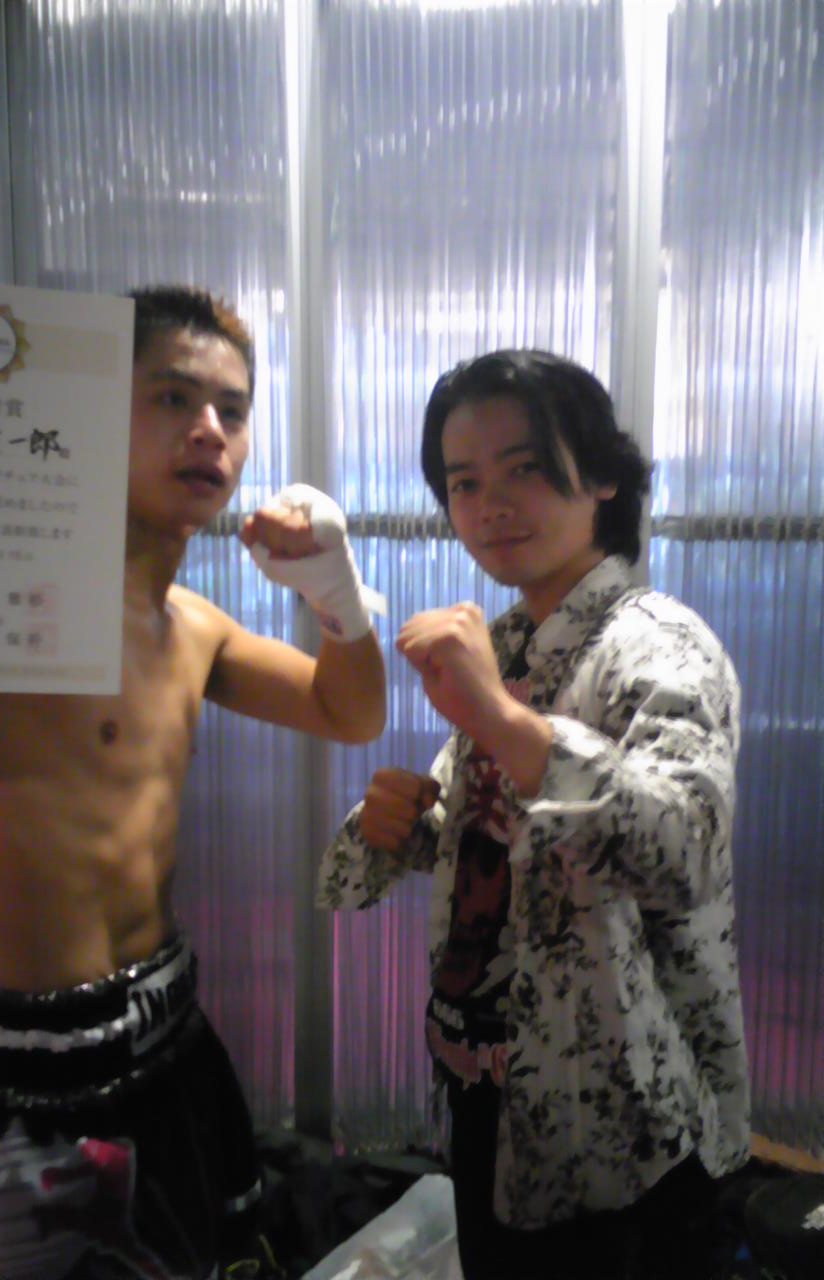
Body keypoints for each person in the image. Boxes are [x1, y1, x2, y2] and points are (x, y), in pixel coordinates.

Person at [0, 257, 387, 1280]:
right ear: (95, 411)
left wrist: (335, 589)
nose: (210, 430)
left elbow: (350, 711)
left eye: (232, 409)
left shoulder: (195, 625)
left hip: (176, 1033)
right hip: (40, 1068)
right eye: (173, 398)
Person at [318, 350, 751, 1280]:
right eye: (463, 482)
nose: (490, 505)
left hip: (619, 1123)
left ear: (602, 476)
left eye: (524, 468)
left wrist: (501, 718)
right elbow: (482, 835)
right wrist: (393, 825)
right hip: (489, 1083)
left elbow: (685, 849)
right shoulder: (509, 641)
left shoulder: (661, 645)